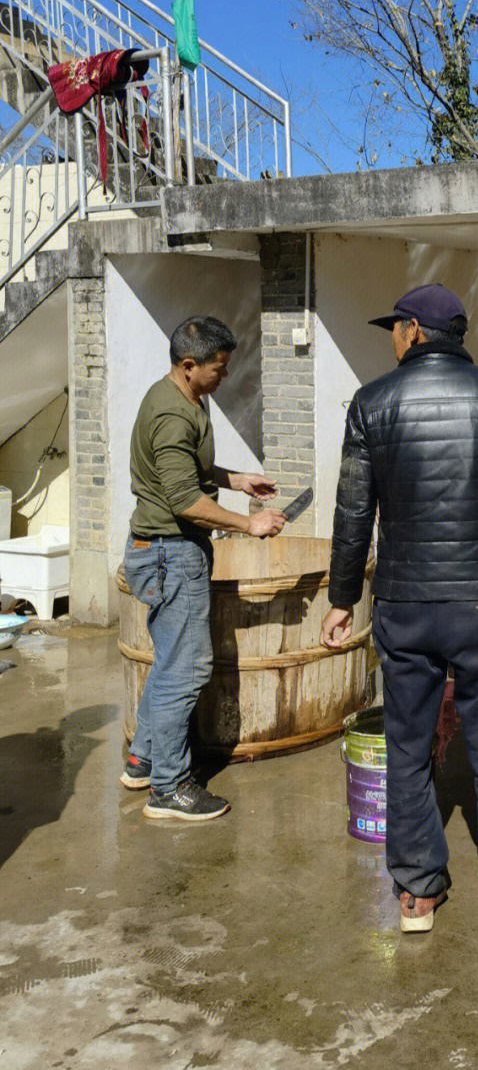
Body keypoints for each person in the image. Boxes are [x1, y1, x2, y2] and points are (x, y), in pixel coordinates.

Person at [320, 284, 478, 934]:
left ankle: (416, 892)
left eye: (394, 327)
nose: (391, 338)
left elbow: (354, 511)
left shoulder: (372, 403)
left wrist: (342, 598)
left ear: (412, 331)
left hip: (404, 603)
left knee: (408, 742)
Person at [123, 316, 285, 822]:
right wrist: (247, 525)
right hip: (171, 553)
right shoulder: (172, 414)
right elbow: (184, 498)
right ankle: (169, 788)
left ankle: (144, 760)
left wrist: (237, 480)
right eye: (219, 369)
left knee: (171, 660)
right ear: (189, 365)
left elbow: (192, 470)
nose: (224, 377)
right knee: (188, 668)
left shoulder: (188, 397)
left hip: (168, 549)